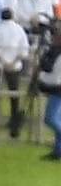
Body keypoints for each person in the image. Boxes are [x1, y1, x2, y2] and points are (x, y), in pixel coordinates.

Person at [0, 7, 30, 136]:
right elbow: (24, 48)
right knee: (14, 93)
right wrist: (13, 61)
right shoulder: (19, 29)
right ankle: (14, 119)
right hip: (14, 65)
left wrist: (2, 60)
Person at [34, 27, 61, 161]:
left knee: (50, 119)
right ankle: (58, 151)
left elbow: (49, 68)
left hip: (58, 88)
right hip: (56, 87)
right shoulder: (54, 51)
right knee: (57, 119)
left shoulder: (56, 52)